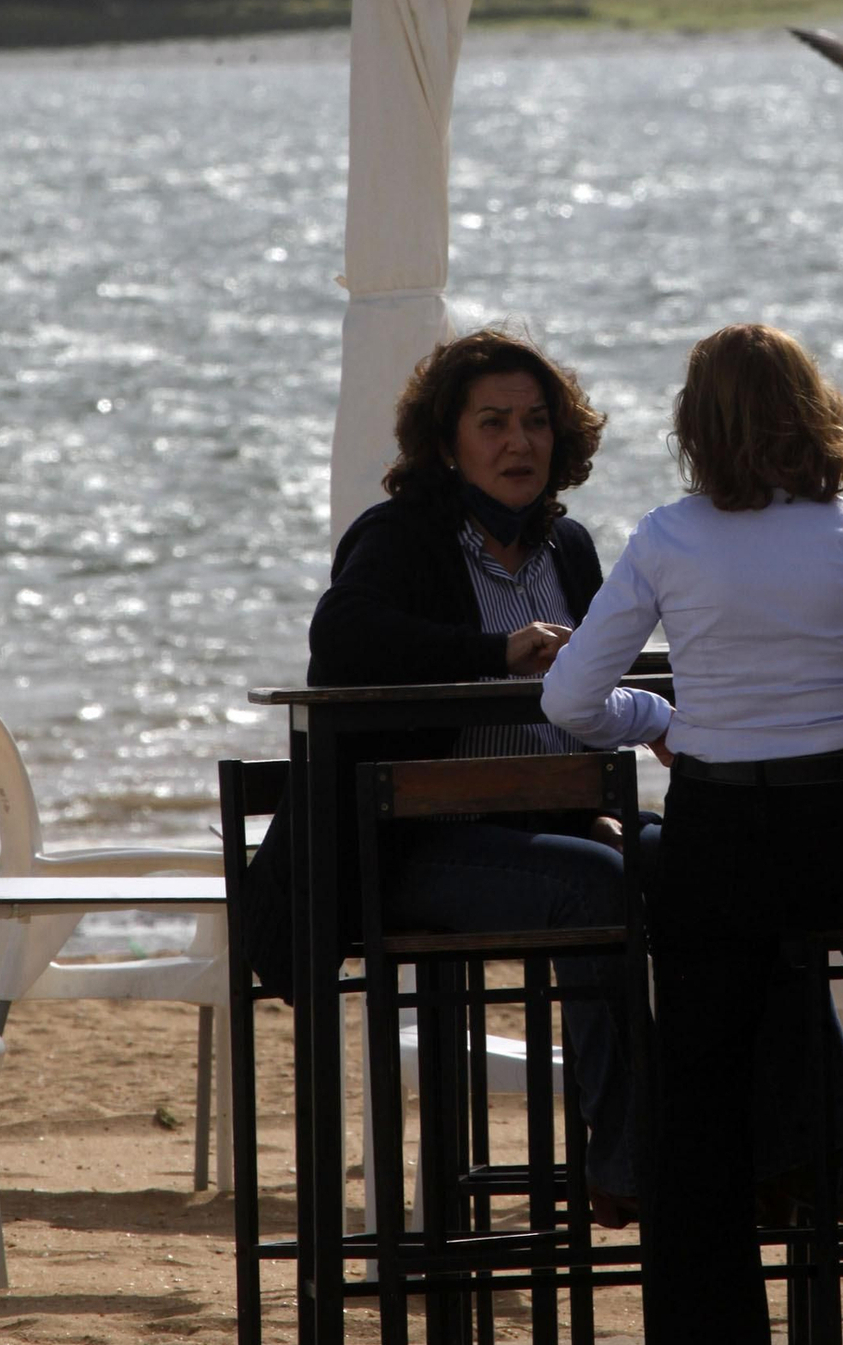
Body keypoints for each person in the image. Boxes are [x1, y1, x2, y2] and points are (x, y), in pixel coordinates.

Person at [541, 322, 843, 1345]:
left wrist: (660, 721)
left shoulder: (669, 539)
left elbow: (572, 701)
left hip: (722, 837)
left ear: (693, 429)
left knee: (699, 1111)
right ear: (817, 415)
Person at [244, 327, 657, 1218]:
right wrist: (494, 653)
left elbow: (592, 698)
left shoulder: (570, 547)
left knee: (714, 856)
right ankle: (629, 1166)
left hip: (553, 822)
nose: (520, 443)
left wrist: (595, 800)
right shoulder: (400, 537)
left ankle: (764, 1146)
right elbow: (342, 643)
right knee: (600, 887)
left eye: (537, 423)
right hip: (414, 844)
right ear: (446, 442)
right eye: (495, 423)